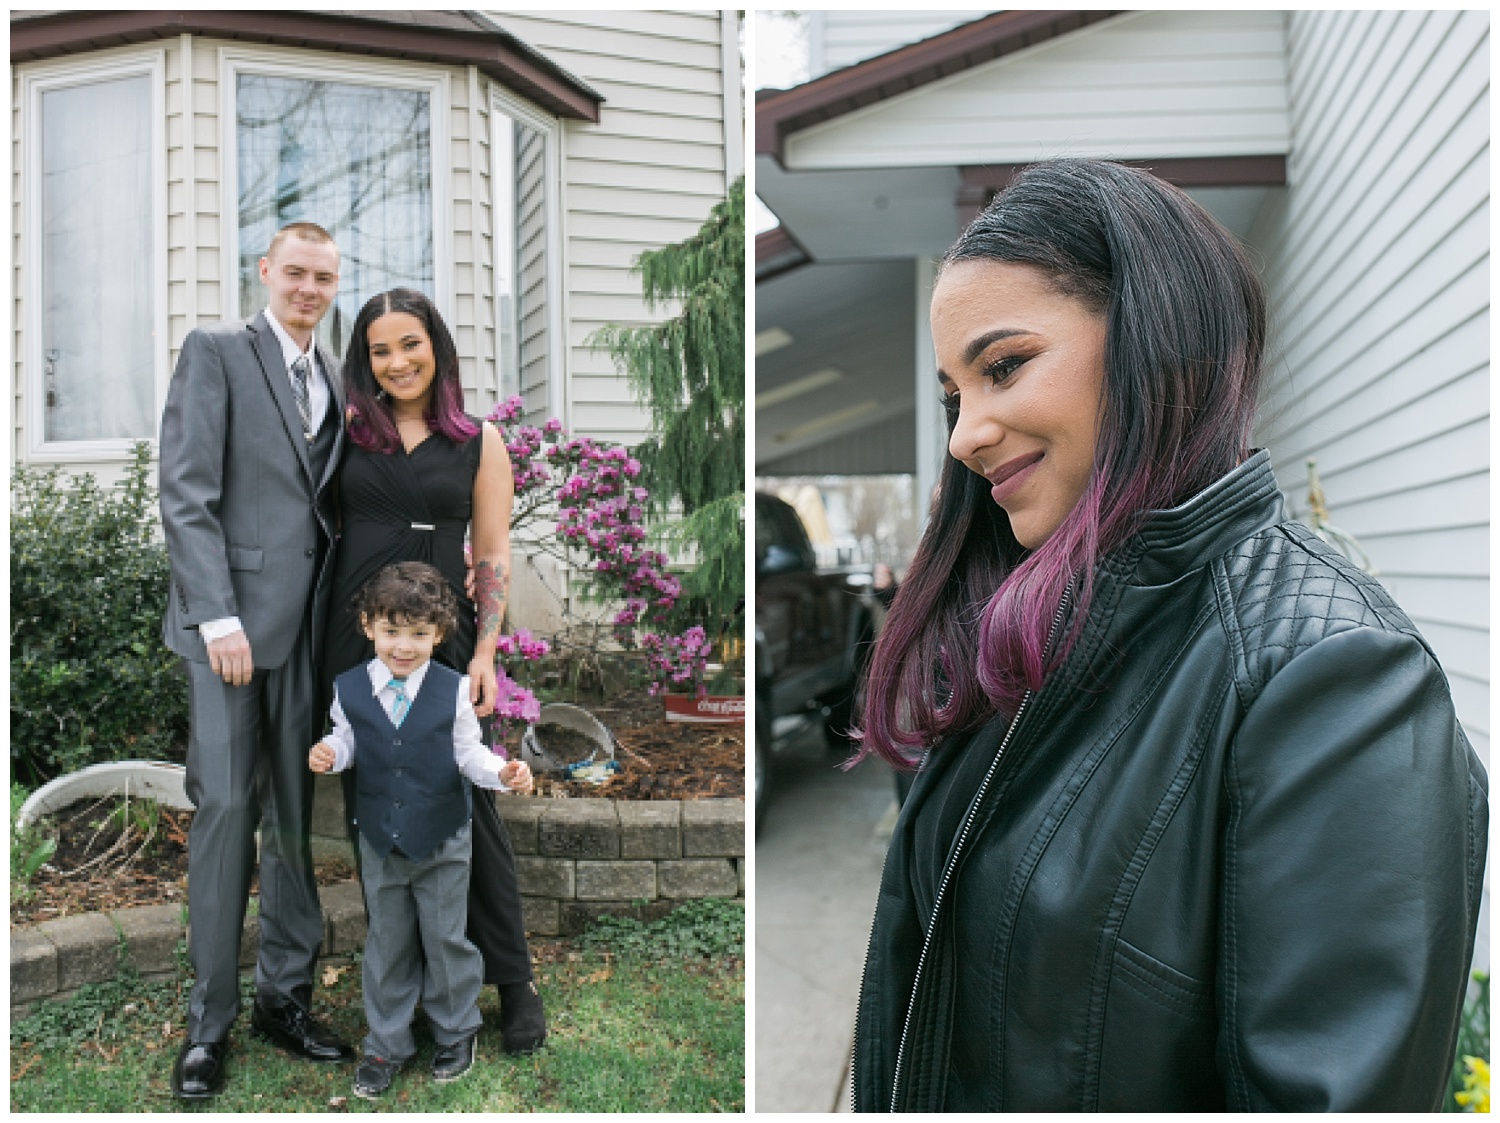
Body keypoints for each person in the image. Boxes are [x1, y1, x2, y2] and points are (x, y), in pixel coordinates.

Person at [850, 159, 1487, 1111]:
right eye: (954, 394)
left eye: (1003, 366)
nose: (964, 433)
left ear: (1155, 337)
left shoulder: (1333, 679)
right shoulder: (1037, 630)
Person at [322, 286, 547, 1054]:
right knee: (378, 812)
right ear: (365, 361)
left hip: (441, 641)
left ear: (437, 347)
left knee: (469, 812)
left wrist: (485, 652)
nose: (397, 362)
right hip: (357, 640)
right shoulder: (347, 435)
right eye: (380, 350)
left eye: (409, 344)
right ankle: (410, 990)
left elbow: (490, 554)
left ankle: (513, 983)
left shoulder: (479, 440)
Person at [159, 221, 355, 1100]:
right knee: (229, 814)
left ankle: (286, 998)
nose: (309, 288)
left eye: (325, 277)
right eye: (297, 273)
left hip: (306, 640)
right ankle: (209, 1025)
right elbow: (186, 494)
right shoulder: (217, 352)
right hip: (229, 640)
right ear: (266, 271)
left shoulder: (338, 380)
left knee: (291, 827)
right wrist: (216, 617)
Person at [309, 561, 534, 1099]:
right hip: (381, 840)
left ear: (439, 634)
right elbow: (350, 739)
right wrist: (331, 752)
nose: (403, 646)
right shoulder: (349, 687)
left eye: (418, 633)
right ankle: (387, 1041)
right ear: (368, 627)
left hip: (443, 838)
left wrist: (502, 772)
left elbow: (467, 753)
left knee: (445, 936)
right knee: (387, 943)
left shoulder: (453, 689)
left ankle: (457, 1030)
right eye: (391, 631)